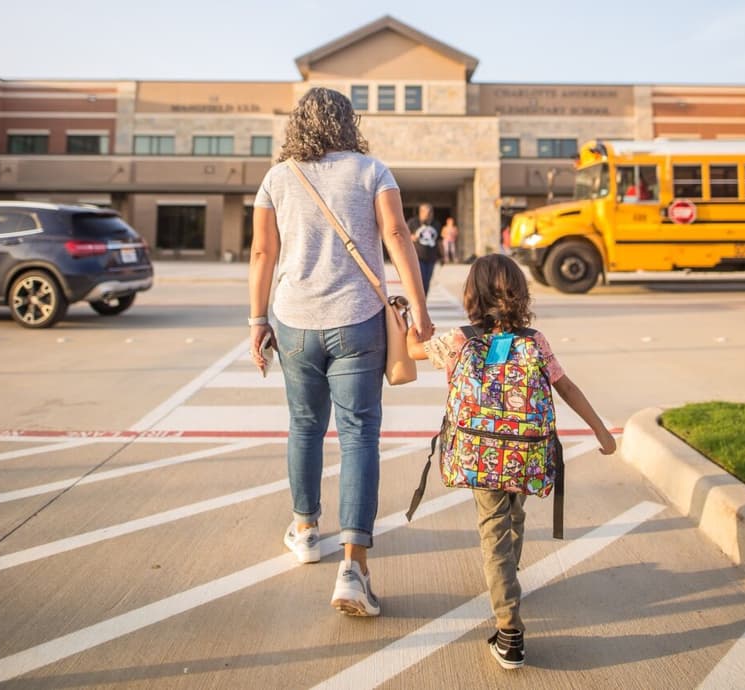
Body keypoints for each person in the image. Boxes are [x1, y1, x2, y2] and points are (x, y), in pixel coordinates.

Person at [249, 87, 433, 617]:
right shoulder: (372, 170)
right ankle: (353, 568)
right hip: (359, 321)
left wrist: (257, 320)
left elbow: (263, 251)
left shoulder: (277, 177)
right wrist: (417, 308)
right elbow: (397, 233)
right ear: (347, 122)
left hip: (294, 322)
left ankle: (305, 529)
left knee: (304, 426)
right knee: (359, 437)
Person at [406, 253, 616, 668]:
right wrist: (601, 430)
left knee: (493, 533)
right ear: (520, 294)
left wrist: (406, 324)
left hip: (480, 454)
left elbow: (413, 350)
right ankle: (510, 578)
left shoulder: (460, 340)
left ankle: (509, 628)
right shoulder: (534, 340)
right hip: (525, 453)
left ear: (472, 295)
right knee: (513, 514)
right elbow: (566, 387)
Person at [407, 203, 441, 295]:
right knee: (420, 280)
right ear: (421, 212)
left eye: (431, 212)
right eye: (427, 212)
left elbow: (439, 241)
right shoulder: (413, 222)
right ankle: (418, 300)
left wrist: (443, 255)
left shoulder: (436, 224)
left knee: (427, 281)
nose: (429, 214)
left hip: (431, 257)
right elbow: (403, 236)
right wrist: (412, 237)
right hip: (417, 257)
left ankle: (423, 300)